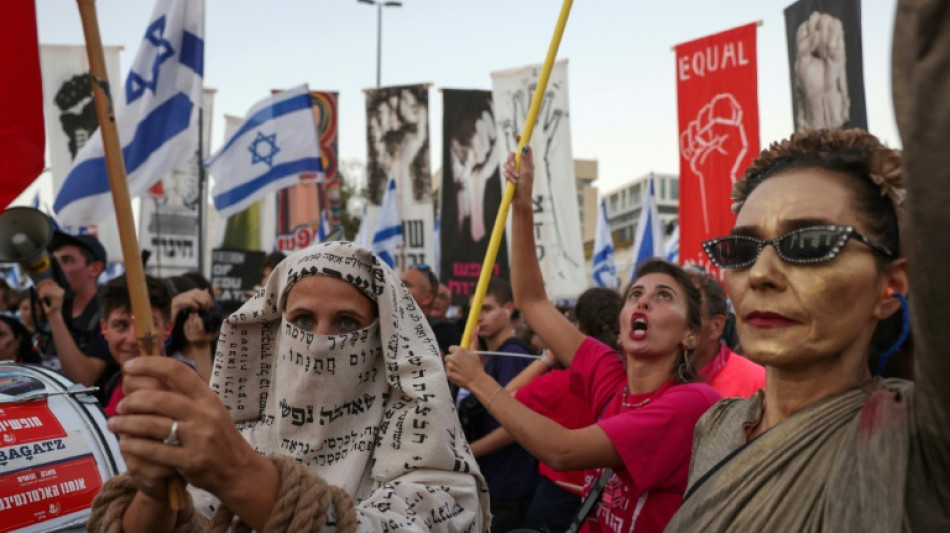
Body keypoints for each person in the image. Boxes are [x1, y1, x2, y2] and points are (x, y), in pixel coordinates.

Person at [664, 84, 950, 531]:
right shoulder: (716, 426)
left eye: (811, 243)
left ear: (891, 285)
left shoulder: (917, 439)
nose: (760, 273)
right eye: (742, 248)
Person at [89, 242, 489, 532]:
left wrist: (239, 475)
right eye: (302, 321)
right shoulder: (242, 435)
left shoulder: (427, 458)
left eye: (348, 323)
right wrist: (156, 492)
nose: (318, 342)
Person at [446, 148, 721, 532]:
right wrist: (523, 206)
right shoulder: (610, 374)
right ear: (623, 320)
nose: (643, 300)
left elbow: (562, 450)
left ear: (690, 335)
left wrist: (477, 380)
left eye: (664, 296)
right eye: (636, 294)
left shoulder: (691, 402)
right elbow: (533, 301)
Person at [458, 277, 538, 532]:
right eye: (474, 309)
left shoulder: (512, 355)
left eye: (487, 308)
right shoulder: (491, 355)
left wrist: (469, 452)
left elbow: (515, 424)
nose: (478, 316)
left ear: (509, 309)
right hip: (495, 477)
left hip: (510, 481)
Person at [37, 231, 118, 403]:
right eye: (54, 262)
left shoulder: (105, 317)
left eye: (66, 261)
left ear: (94, 269)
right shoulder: (56, 310)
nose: (56, 270)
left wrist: (54, 316)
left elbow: (82, 379)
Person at [98, 275, 176, 418]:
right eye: (121, 325)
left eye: (144, 326)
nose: (133, 339)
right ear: (104, 329)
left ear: (167, 329)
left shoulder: (183, 388)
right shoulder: (113, 383)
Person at [686, 268, 765, 398]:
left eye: (690, 315)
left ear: (716, 327)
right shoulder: (650, 374)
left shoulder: (755, 381)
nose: (676, 321)